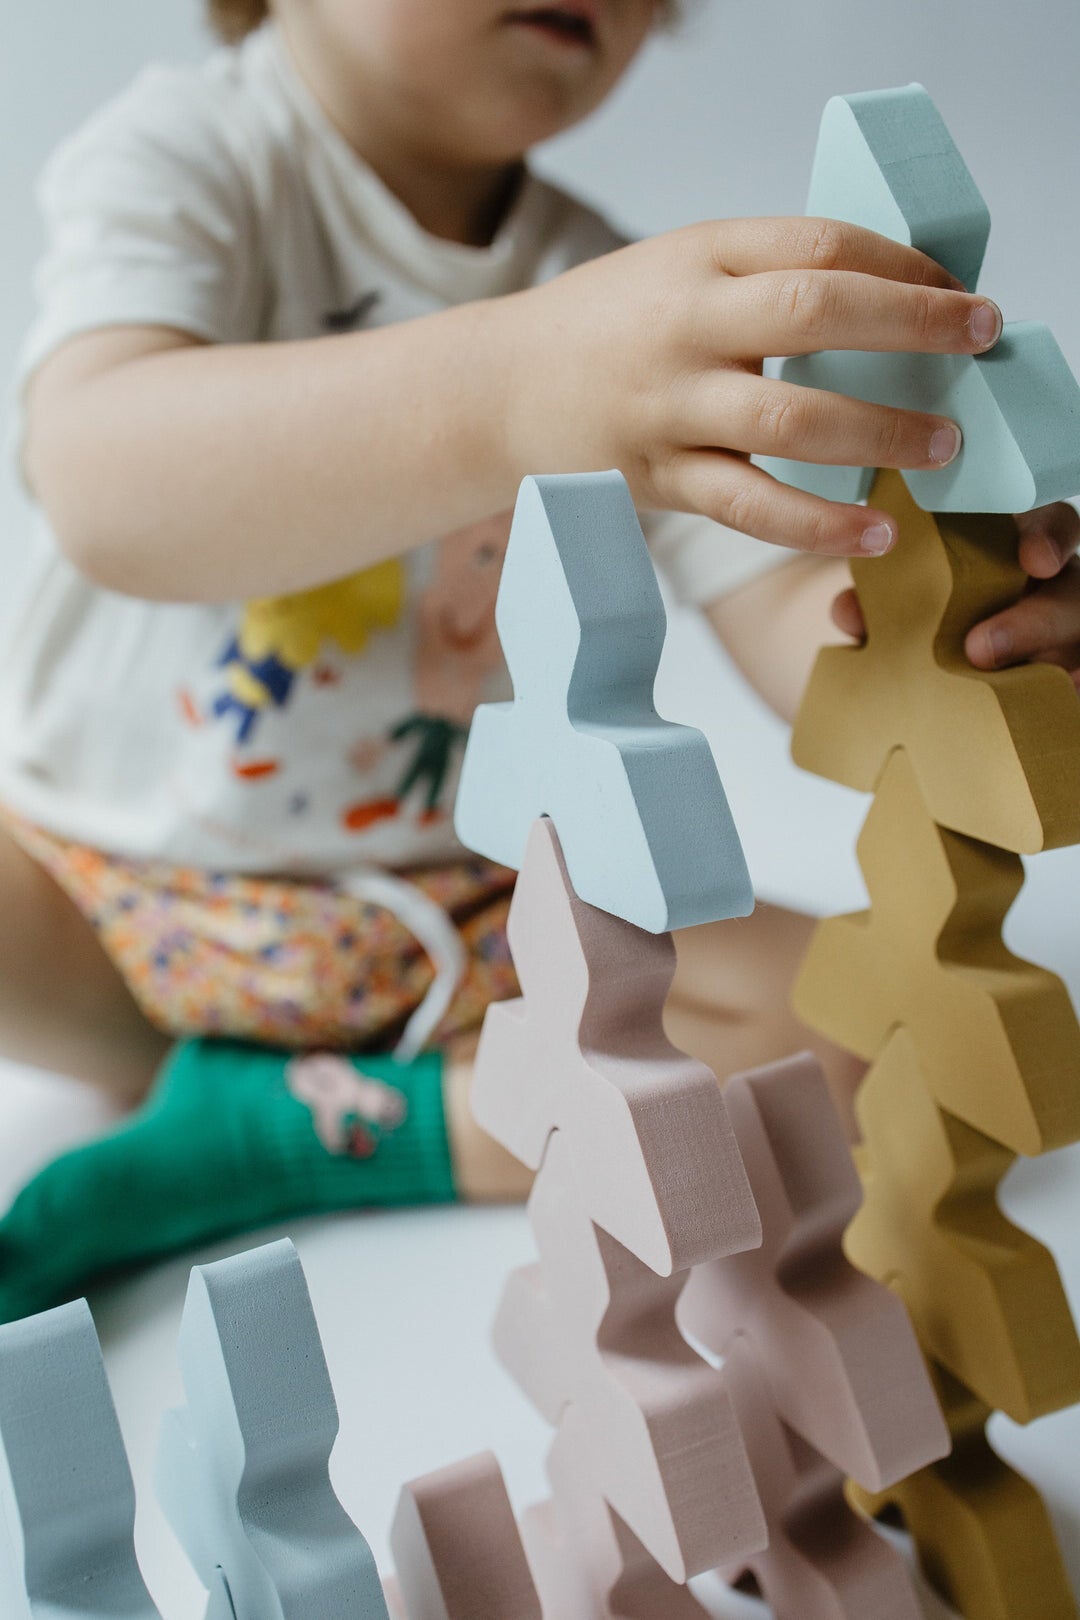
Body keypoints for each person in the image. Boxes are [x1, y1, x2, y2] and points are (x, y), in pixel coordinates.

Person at [1, 0, 1077, 1321]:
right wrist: (518, 386)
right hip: (82, 893)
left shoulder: (598, 282)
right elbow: (101, 478)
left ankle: (297, 1129)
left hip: (464, 913)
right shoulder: (191, 154)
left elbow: (793, 609)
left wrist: (959, 626)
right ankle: (251, 1075)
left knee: (880, 1046)